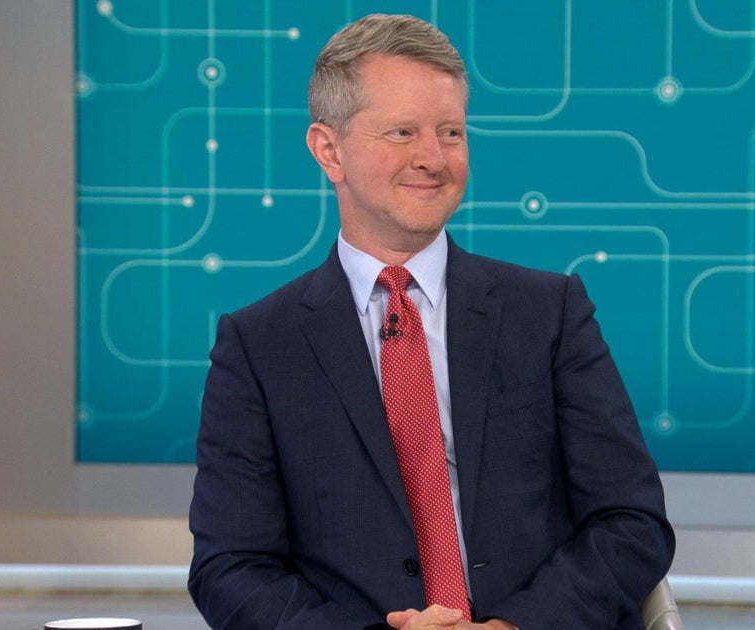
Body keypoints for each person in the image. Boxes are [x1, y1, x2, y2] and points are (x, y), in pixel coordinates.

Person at [188, 13, 674, 630]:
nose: (433, 158)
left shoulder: (551, 313)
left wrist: (512, 627)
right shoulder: (258, 346)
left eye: (451, 132)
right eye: (402, 132)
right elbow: (230, 568)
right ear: (329, 150)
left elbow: (632, 523)